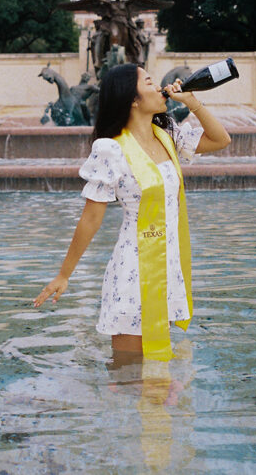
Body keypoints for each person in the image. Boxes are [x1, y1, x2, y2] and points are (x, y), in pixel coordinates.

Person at [33, 63, 232, 362]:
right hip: (133, 268)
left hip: (167, 265)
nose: (158, 86)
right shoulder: (111, 149)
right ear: (133, 99)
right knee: (128, 370)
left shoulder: (167, 135)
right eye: (149, 82)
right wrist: (64, 274)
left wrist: (193, 102)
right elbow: (91, 217)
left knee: (157, 364)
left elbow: (221, 140)